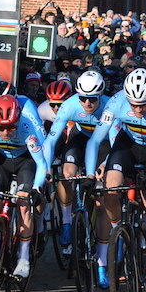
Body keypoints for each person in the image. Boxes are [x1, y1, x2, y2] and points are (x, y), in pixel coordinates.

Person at [85, 68, 146, 292]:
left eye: (144, 104)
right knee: (110, 190)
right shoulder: (116, 103)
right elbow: (96, 140)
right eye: (134, 105)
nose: (139, 109)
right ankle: (119, 231)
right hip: (128, 145)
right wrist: (88, 172)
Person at [0, 95, 49, 278]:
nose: (6, 132)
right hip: (2, 161)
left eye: (11, 127)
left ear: (18, 121)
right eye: (1, 127)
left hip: (25, 161)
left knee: (23, 206)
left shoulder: (27, 129)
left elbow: (42, 164)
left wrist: (36, 188)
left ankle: (23, 256)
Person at [42, 70, 108, 252]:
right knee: (67, 174)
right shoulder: (69, 106)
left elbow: (118, 141)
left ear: (101, 94)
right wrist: (46, 168)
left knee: (103, 194)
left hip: (105, 142)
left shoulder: (111, 107)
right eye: (83, 98)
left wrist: (104, 164)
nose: (87, 103)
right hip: (81, 136)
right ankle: (66, 221)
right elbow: (51, 141)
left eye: (93, 99)